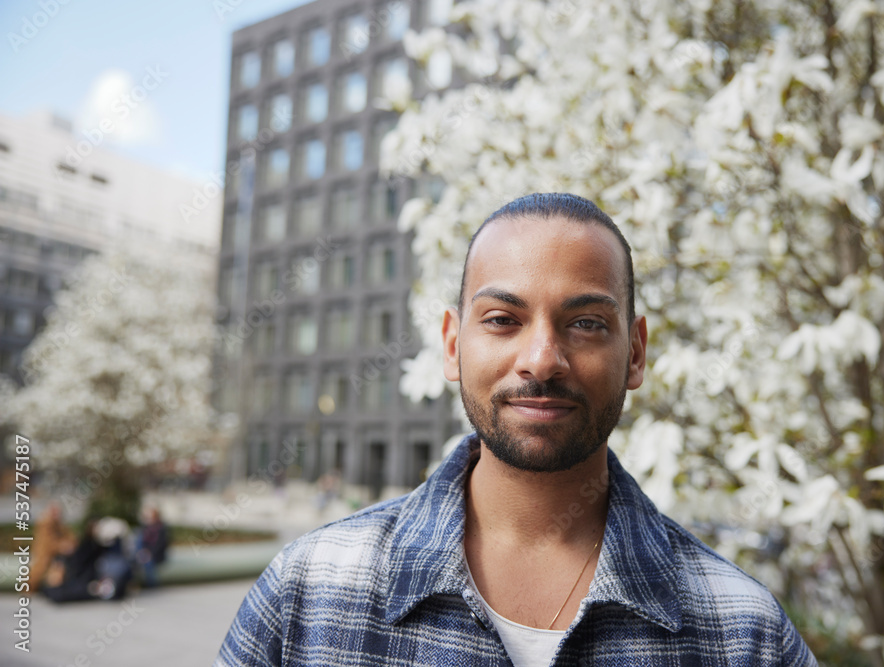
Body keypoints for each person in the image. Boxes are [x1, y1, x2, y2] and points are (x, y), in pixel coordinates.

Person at [217, 193, 818, 666]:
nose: (542, 358)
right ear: (453, 347)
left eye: (584, 323)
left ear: (635, 354)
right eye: (503, 319)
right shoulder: (307, 594)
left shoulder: (745, 634)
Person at [134, 507, 170, 588]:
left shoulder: (161, 528)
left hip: (156, 554)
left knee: (148, 561)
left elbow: (161, 544)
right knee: (138, 535)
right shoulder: (145, 528)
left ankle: (152, 584)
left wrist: (150, 553)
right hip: (144, 552)